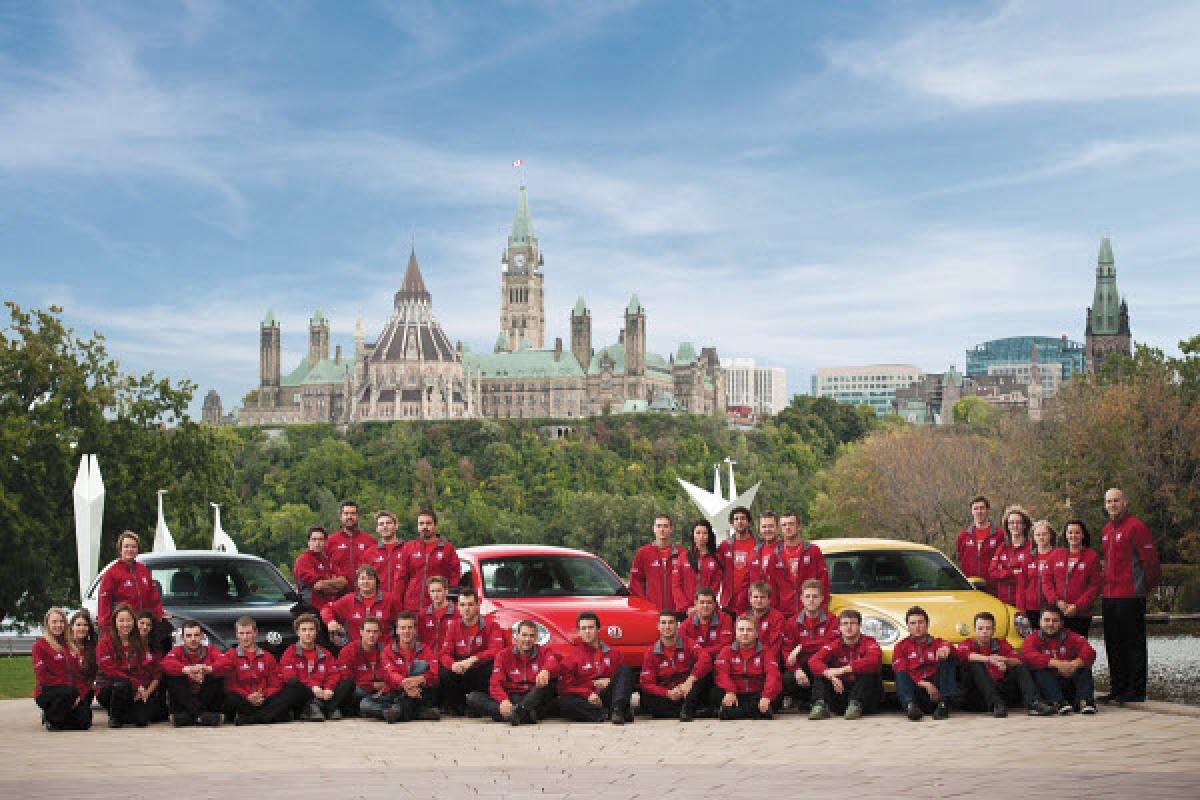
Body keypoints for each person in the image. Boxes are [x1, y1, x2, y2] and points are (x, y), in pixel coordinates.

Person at [1100, 488, 1161, 705]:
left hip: (1131, 595)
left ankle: (1135, 691)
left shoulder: (1136, 527)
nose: (1112, 505)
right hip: (1109, 595)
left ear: (1124, 502)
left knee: (1133, 644)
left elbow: (1150, 562)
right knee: (1113, 643)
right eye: (1109, 501)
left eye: (1116, 500)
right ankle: (1117, 688)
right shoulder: (1106, 530)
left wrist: (1144, 588)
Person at [955, 612, 1051, 717]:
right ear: (975, 630)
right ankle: (996, 704)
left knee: (1019, 667)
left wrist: (1004, 661)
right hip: (977, 696)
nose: (984, 632)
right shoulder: (967, 643)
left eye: (988, 628)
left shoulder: (1001, 643)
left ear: (993, 630)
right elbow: (963, 655)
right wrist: (989, 659)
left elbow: (1018, 660)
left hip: (1000, 690)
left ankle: (1034, 703)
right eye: (980, 628)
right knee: (975, 664)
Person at [218, 616, 307, 725]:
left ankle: (254, 719)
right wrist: (248, 696)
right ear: (236, 634)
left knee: (292, 689)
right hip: (243, 700)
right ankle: (271, 716)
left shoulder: (267, 656)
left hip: (264, 700)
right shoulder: (230, 656)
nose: (245, 637)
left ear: (255, 633)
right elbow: (229, 685)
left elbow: (276, 684)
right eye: (241, 633)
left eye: (248, 633)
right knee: (231, 698)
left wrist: (263, 695)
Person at [467, 620, 557, 725]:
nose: (527, 639)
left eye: (531, 636)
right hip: (511, 697)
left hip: (533, 696)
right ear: (516, 636)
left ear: (536, 638)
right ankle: (523, 715)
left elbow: (553, 662)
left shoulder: (544, 651)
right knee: (472, 698)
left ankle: (514, 714)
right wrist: (503, 700)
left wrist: (546, 670)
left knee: (545, 685)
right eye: (524, 635)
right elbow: (495, 683)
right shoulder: (503, 655)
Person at [554, 612, 635, 724]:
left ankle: (618, 710)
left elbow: (624, 681)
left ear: (598, 629)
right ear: (579, 631)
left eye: (591, 627)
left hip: (609, 695)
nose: (587, 632)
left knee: (626, 669)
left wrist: (610, 681)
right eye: (583, 628)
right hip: (587, 699)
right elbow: (563, 688)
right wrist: (588, 692)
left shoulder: (614, 654)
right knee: (564, 702)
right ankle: (606, 713)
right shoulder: (571, 658)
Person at [95, 531, 168, 651]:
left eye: (133, 546)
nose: (130, 550)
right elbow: (104, 603)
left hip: (143, 626)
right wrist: (107, 629)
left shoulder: (143, 569)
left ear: (137, 549)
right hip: (124, 627)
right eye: (126, 546)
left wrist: (159, 614)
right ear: (120, 550)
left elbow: (153, 596)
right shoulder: (111, 573)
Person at [808, 609, 883, 721]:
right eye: (845, 624)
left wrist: (842, 670)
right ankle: (820, 705)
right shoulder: (834, 644)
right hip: (841, 692)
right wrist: (830, 675)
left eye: (852, 623)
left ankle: (855, 705)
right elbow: (813, 660)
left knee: (867, 671)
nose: (848, 627)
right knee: (821, 671)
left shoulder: (869, 642)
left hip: (866, 696)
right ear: (839, 627)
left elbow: (873, 660)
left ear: (859, 626)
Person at [1021, 606, 1097, 715]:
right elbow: (1028, 655)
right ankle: (1058, 702)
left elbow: (1090, 652)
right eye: (1047, 620)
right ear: (1040, 622)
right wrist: (1056, 663)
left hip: (1067, 680)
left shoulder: (1071, 636)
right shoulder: (1031, 638)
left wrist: (1074, 664)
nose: (1050, 624)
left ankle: (1086, 702)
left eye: (1055, 621)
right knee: (1037, 670)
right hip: (1046, 687)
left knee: (1083, 668)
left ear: (1061, 623)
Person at [439, 590, 505, 716]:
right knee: (445, 673)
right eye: (462, 605)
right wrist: (453, 665)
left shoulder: (492, 625)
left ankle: (479, 705)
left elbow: (497, 649)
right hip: (461, 669)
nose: (466, 609)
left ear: (477, 605)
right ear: (458, 607)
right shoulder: (453, 626)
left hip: (479, 668)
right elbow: (444, 654)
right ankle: (457, 706)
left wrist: (474, 659)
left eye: (470, 605)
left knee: (491, 668)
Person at [638, 611, 712, 722]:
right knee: (646, 699)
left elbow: (706, 658)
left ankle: (686, 709)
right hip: (668, 694)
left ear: (677, 625)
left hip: (688, 691)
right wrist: (667, 693)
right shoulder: (651, 652)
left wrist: (690, 681)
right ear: (658, 626)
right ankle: (690, 711)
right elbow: (647, 683)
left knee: (703, 672)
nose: (667, 627)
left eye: (671, 623)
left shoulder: (688, 643)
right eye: (663, 623)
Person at [780, 579, 839, 710]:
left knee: (820, 671)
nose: (811, 600)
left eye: (815, 596)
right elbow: (787, 650)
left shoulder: (832, 620)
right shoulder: (791, 622)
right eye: (807, 596)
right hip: (803, 668)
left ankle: (819, 704)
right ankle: (805, 701)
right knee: (785, 679)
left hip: (824, 665)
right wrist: (796, 670)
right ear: (801, 599)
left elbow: (830, 643)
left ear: (822, 598)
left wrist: (802, 647)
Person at [96, 604, 157, 727]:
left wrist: (142, 690)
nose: (125, 624)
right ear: (115, 622)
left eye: (128, 620)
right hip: (109, 688)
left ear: (133, 622)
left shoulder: (138, 642)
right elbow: (110, 671)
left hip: (132, 689)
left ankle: (123, 713)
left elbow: (143, 669)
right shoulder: (105, 643)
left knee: (142, 720)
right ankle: (114, 717)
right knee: (122, 684)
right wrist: (135, 684)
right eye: (121, 620)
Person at [891, 606, 957, 721]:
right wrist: (926, 685)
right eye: (913, 623)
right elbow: (901, 669)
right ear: (908, 626)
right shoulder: (901, 646)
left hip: (938, 691)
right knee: (901, 673)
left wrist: (947, 649)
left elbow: (953, 650)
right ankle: (910, 707)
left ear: (927, 624)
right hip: (916, 689)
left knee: (948, 660)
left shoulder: (938, 642)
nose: (917, 626)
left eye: (920, 622)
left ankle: (944, 705)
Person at [32, 608, 94, 731]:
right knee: (68, 691)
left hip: (70, 693)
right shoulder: (39, 646)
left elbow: (77, 674)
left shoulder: (70, 645)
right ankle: (52, 717)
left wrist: (79, 696)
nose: (58, 625)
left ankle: (58, 718)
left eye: (61, 622)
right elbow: (43, 677)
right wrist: (71, 691)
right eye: (54, 622)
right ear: (47, 624)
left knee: (86, 721)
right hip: (47, 691)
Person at [713, 615, 781, 720]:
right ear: (735, 633)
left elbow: (773, 675)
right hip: (735, 694)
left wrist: (766, 696)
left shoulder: (766, 651)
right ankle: (753, 712)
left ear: (756, 633)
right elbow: (721, 674)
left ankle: (733, 713)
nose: (745, 633)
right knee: (715, 693)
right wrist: (730, 691)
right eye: (741, 630)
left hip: (757, 693)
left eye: (749, 630)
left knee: (775, 696)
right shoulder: (726, 651)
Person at [160, 618, 224, 727]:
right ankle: (201, 717)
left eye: (196, 635)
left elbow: (225, 662)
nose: (193, 639)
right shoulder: (177, 651)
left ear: (202, 636)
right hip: (183, 702)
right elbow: (165, 664)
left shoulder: (211, 650)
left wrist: (206, 669)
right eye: (189, 636)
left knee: (215, 675)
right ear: (182, 638)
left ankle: (188, 718)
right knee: (173, 676)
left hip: (206, 700)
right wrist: (186, 670)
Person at [279, 612, 342, 721]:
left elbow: (333, 674)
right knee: (293, 683)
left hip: (323, 692)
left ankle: (324, 707)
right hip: (304, 693)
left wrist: (328, 688)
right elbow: (288, 676)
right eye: (304, 630)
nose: (308, 633)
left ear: (316, 632)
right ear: (298, 632)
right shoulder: (290, 652)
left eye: (311, 629)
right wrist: (312, 687)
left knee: (347, 681)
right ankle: (324, 707)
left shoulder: (325, 653)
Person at [1047, 518, 1103, 638]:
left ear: (1083, 534)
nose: (1073, 535)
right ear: (1066, 535)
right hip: (1058, 613)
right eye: (1070, 532)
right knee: (1058, 649)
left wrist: (1077, 606)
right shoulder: (1056, 555)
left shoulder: (1092, 557)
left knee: (1078, 651)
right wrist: (1057, 602)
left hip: (1081, 614)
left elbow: (1095, 586)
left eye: (1077, 532)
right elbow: (1047, 582)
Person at [381, 612, 442, 723]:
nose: (406, 631)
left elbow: (435, 674)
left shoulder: (426, 649)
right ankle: (419, 713)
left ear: (415, 630)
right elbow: (391, 673)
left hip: (421, 693)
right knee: (365, 704)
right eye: (403, 628)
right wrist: (405, 683)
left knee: (421, 665)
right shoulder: (387, 651)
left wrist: (419, 679)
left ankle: (398, 711)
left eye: (410, 628)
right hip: (397, 692)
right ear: (397, 631)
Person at [397, 509, 460, 612]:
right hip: (412, 606)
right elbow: (400, 578)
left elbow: (455, 574)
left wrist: (448, 598)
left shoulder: (448, 548)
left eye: (428, 523)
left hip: (436, 606)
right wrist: (398, 603)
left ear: (435, 526)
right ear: (417, 526)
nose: (424, 527)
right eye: (421, 523)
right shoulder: (408, 547)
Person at [321, 564, 398, 645]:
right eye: (362, 579)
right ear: (357, 582)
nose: (366, 582)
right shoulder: (348, 600)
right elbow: (327, 608)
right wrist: (330, 621)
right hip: (356, 649)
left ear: (377, 581)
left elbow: (401, 620)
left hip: (383, 649)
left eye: (370, 578)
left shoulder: (389, 600)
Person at [339, 618, 396, 720]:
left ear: (379, 633)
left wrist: (385, 686)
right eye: (368, 631)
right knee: (358, 692)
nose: (371, 635)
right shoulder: (348, 651)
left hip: (382, 692)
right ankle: (390, 711)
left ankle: (392, 712)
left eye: (375, 632)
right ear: (361, 632)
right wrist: (372, 685)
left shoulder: (387, 651)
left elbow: (395, 674)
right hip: (359, 691)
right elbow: (346, 678)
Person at [629, 514, 686, 613]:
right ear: (654, 529)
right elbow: (635, 581)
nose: (662, 529)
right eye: (658, 526)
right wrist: (645, 603)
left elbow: (687, 583)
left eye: (665, 526)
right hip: (652, 611)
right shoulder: (643, 553)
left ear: (671, 529)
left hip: (676, 612)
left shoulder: (682, 553)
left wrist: (683, 605)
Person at [671, 520, 724, 615]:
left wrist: (702, 606)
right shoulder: (683, 557)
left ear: (709, 536)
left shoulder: (716, 559)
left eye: (704, 533)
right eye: (698, 533)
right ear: (693, 535)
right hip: (685, 611)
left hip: (707, 610)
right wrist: (686, 608)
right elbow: (676, 585)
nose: (701, 536)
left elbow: (715, 586)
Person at [956, 496, 1004, 592]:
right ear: (972, 511)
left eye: (982, 508)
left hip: (992, 588)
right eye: (976, 508)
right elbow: (959, 559)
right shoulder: (963, 536)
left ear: (987, 510)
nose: (979, 511)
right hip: (969, 587)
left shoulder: (999, 534)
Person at [294, 526, 345, 617]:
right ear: (309, 542)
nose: (317, 543)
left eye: (321, 540)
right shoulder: (303, 560)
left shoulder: (328, 560)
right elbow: (318, 586)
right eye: (314, 539)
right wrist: (334, 585)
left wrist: (325, 584)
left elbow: (343, 582)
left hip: (330, 610)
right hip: (312, 611)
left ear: (325, 542)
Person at [988, 506, 1033, 607]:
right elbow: (992, 572)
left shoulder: (1031, 548)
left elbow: (1028, 576)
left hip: (1024, 602)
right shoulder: (1002, 547)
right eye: (1011, 523)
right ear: (1007, 526)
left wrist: (1002, 572)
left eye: (1018, 522)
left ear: (1024, 525)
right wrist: (1011, 572)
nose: (1015, 525)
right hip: (1003, 601)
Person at [325, 500, 376, 591]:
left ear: (358, 516)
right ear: (340, 516)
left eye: (353, 513)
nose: (349, 517)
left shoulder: (370, 541)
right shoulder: (330, 541)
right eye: (346, 513)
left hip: (364, 593)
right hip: (338, 595)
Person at [1020, 520, 1059, 631]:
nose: (1041, 537)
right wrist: (1021, 609)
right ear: (1033, 537)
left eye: (1044, 534)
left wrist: (1056, 603)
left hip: (1051, 608)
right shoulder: (1028, 558)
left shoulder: (1058, 556)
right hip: (1031, 608)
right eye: (1038, 534)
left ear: (1050, 536)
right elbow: (1022, 585)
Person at [717, 506, 757, 613]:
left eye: (743, 518)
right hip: (728, 602)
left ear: (749, 522)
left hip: (751, 602)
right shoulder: (725, 545)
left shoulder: (758, 544)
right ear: (731, 523)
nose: (740, 522)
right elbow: (716, 571)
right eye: (736, 519)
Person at [136, 611, 167, 721]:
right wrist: (137, 689)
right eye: (141, 623)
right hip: (132, 688)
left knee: (154, 717)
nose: (145, 627)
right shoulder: (128, 645)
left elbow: (157, 676)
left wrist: (146, 693)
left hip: (149, 690)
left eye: (148, 625)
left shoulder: (156, 648)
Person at [368, 510, 407, 595]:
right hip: (379, 602)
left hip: (403, 603)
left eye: (388, 523)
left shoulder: (408, 549)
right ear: (377, 529)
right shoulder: (370, 553)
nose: (385, 526)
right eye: (381, 524)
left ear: (396, 526)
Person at [418, 575, 458, 654]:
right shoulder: (423, 614)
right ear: (429, 592)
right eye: (432, 591)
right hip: (428, 659)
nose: (435, 595)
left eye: (439, 591)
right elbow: (419, 640)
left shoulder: (457, 612)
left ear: (446, 591)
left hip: (449, 660)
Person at [746, 581, 787, 654]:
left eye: (762, 597)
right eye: (756, 597)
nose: (759, 600)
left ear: (769, 599)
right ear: (750, 599)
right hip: (747, 660)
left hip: (768, 660)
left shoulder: (777, 618)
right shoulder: (743, 617)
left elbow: (775, 648)